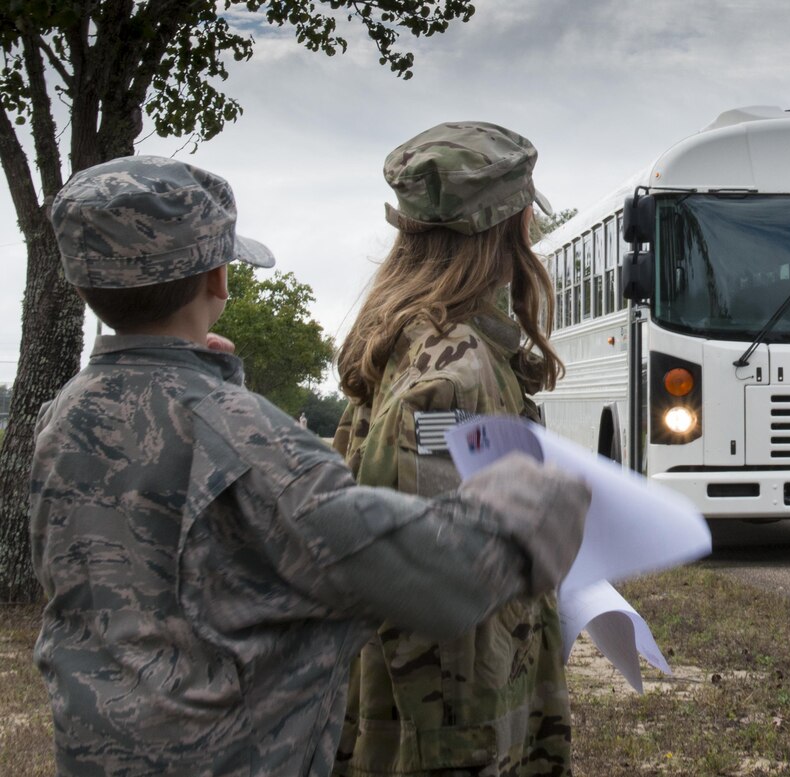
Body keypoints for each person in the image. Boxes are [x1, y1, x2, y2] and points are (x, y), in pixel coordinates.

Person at [29, 154, 591, 777]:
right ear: (219, 279)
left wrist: (201, 382)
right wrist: (529, 507)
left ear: (84, 285)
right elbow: (430, 580)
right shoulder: (250, 440)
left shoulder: (65, 415)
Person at [332, 122, 572, 777]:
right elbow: (437, 575)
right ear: (516, 225)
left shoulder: (410, 344)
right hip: (452, 729)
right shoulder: (452, 377)